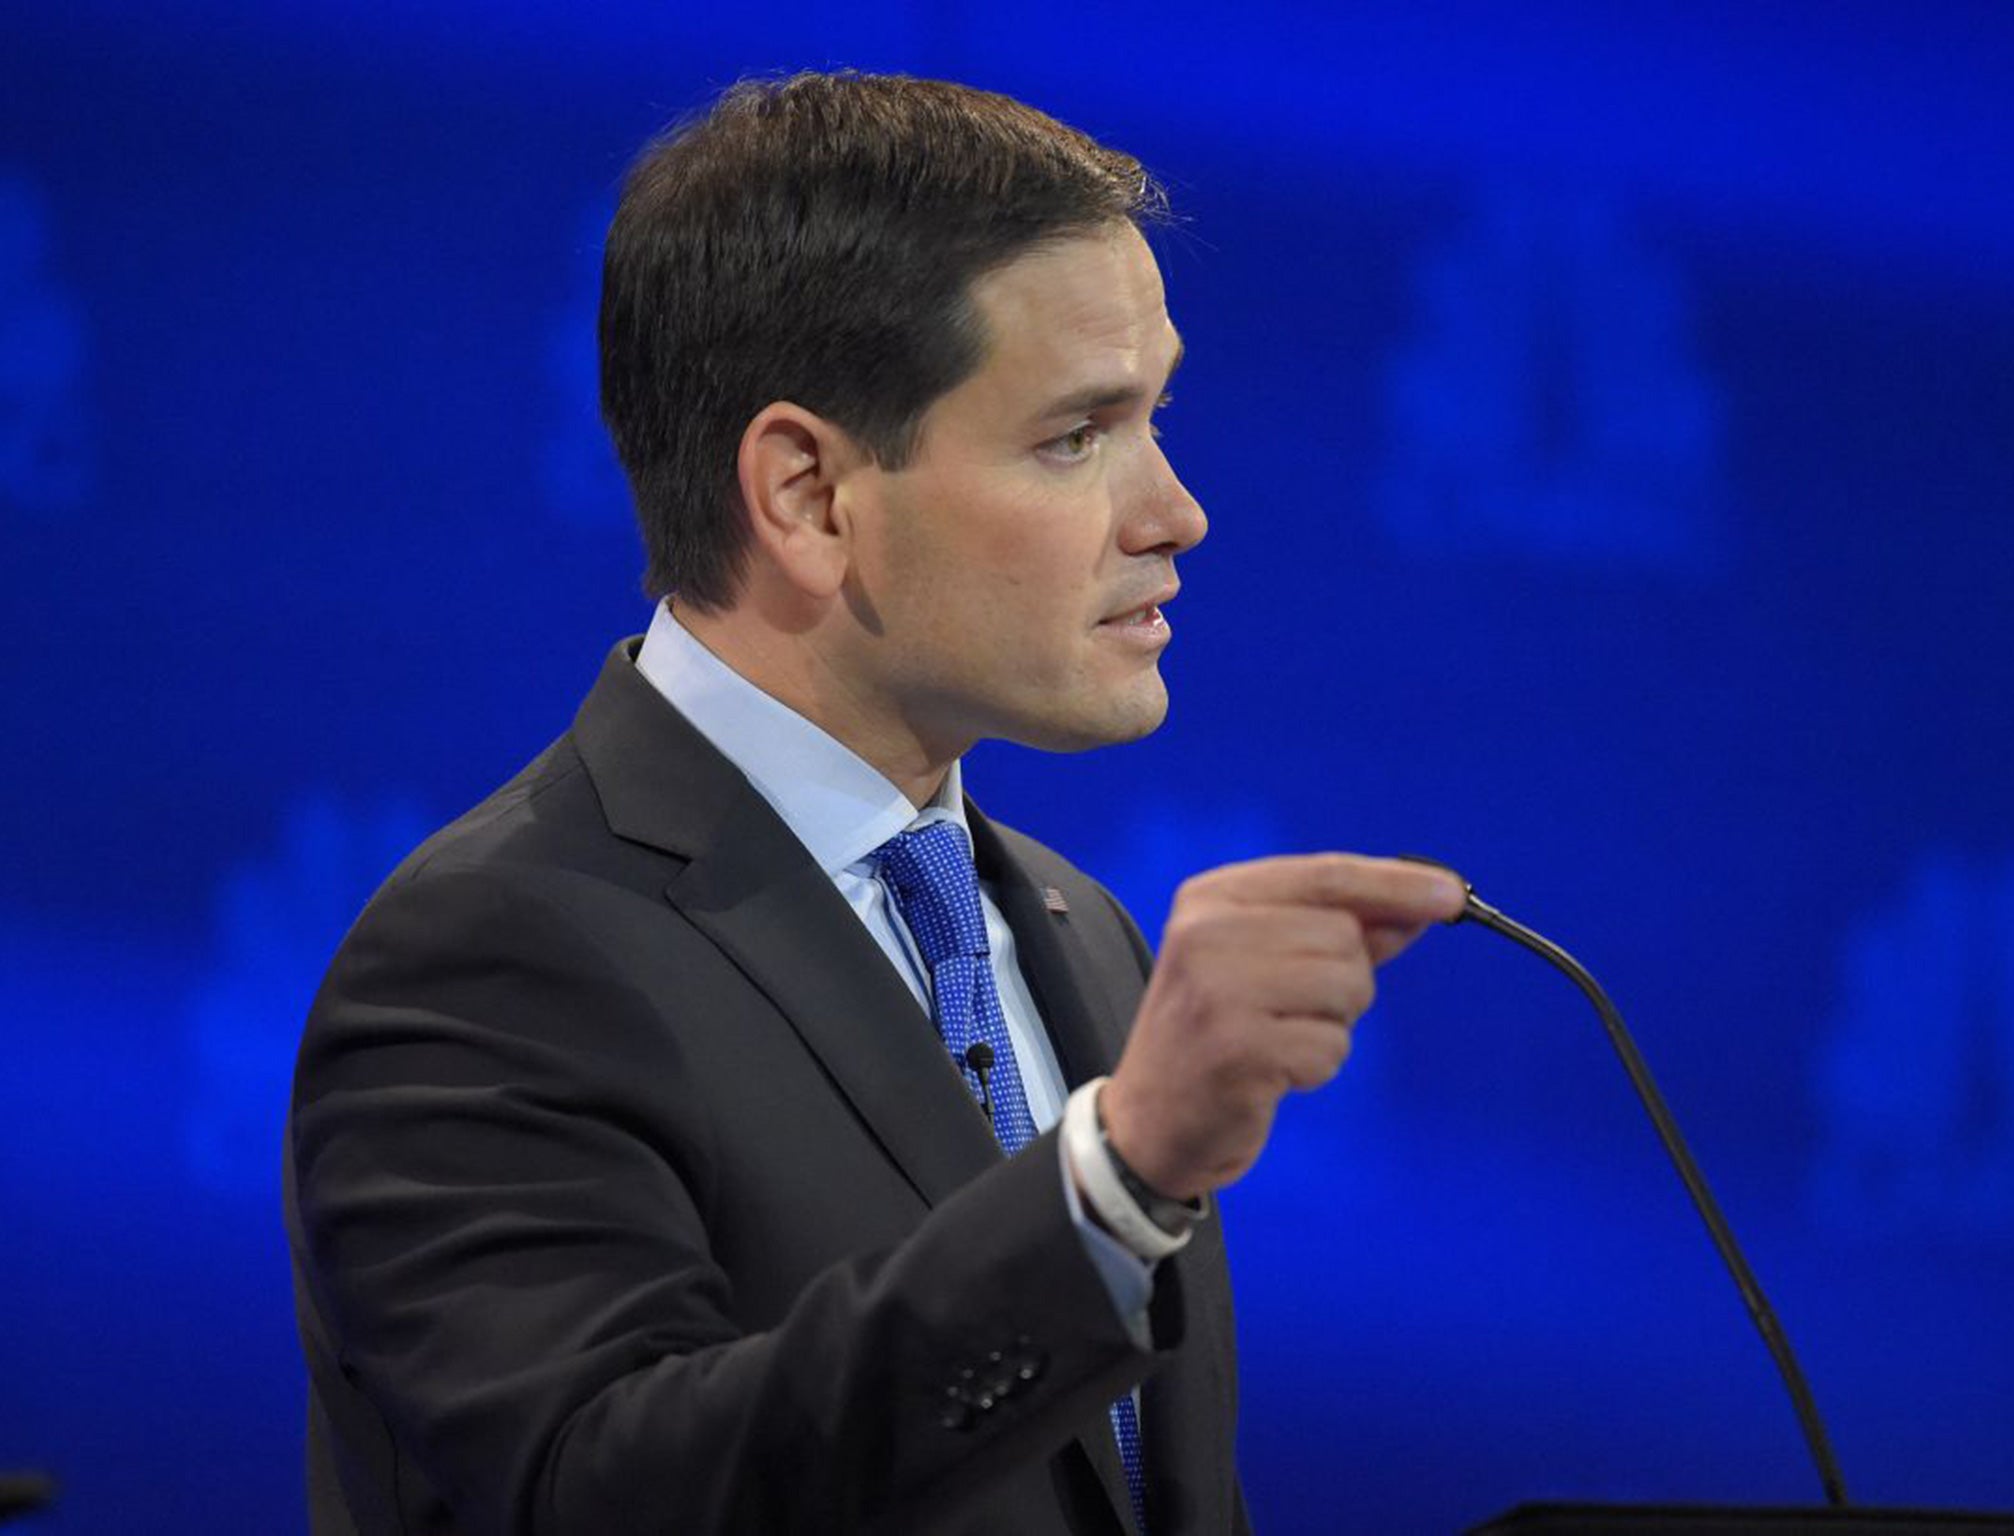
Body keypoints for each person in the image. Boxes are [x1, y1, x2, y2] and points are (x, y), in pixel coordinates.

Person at [285, 71, 1464, 1536]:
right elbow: (608, 1496)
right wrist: (1112, 1180)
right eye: (1077, 435)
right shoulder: (492, 957)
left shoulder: (1075, 928)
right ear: (808, 496)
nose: (1175, 511)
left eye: (1159, 414)